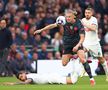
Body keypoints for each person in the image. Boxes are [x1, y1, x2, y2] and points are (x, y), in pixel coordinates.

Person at [34, 9, 95, 86]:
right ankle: (74, 57)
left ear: (74, 17)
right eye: (66, 17)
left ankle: (91, 79)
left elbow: (82, 37)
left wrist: (77, 46)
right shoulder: (64, 21)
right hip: (67, 45)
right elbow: (53, 25)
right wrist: (41, 30)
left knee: (83, 59)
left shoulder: (79, 24)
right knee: (64, 63)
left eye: (69, 17)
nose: (67, 18)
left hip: (77, 44)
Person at [82, 7, 108, 81]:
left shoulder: (94, 19)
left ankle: (107, 74)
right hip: (86, 42)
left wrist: (85, 24)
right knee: (81, 53)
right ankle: (84, 68)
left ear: (91, 13)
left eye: (88, 13)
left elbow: (93, 28)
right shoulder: (83, 20)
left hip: (94, 43)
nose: (87, 14)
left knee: (101, 59)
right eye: (86, 13)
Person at [1, 71, 78, 85]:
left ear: (24, 73)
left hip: (51, 78)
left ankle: (79, 70)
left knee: (73, 81)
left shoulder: (29, 77)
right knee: (71, 80)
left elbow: (27, 82)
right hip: (50, 77)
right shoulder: (29, 75)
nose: (22, 78)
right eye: (21, 78)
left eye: (21, 76)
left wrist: (13, 83)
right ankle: (75, 72)